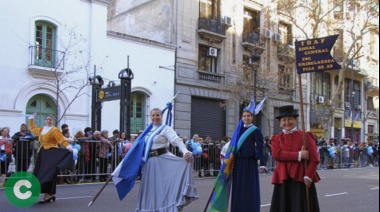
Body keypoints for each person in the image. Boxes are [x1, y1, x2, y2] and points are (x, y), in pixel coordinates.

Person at [113, 107, 198, 211]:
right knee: (151, 189)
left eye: (158, 115)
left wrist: (185, 151)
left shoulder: (165, 128)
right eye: (153, 115)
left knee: (163, 188)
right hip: (149, 163)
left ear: (161, 117)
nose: (155, 117)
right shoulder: (147, 131)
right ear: (150, 117)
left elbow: (177, 141)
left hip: (162, 160)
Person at [270, 105, 320, 212]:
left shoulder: (305, 136)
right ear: (280, 123)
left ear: (295, 121)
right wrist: (299, 155)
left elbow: (315, 158)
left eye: (290, 119)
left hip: (301, 178)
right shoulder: (276, 138)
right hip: (283, 178)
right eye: (284, 120)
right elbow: (277, 155)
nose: (287, 122)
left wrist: (308, 176)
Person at [29, 113, 73, 204]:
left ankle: (49, 194)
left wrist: (67, 146)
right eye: (47, 119)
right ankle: (50, 193)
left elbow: (61, 139)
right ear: (45, 120)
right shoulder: (42, 129)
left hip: (52, 153)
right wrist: (31, 119)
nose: (49, 121)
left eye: (50, 119)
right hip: (43, 153)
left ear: (53, 121)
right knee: (41, 172)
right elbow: (33, 129)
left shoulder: (55, 130)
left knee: (49, 173)